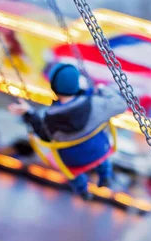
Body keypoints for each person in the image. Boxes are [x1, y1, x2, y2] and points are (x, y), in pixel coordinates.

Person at [8, 63, 127, 199]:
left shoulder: (50, 117)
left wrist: (28, 113)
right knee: (98, 149)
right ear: (77, 84)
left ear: (53, 87)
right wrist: (102, 89)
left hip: (73, 161)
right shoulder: (95, 103)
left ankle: (82, 190)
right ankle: (105, 176)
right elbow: (121, 104)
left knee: (71, 170)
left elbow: (44, 136)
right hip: (98, 151)